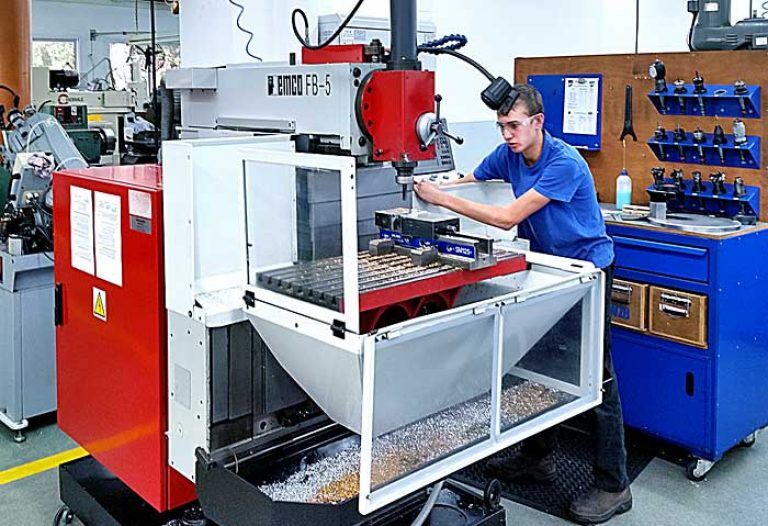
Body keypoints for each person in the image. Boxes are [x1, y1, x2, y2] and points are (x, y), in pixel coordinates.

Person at [413, 84, 632, 525]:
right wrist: (426, 188)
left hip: (588, 272)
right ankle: (539, 457)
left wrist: (440, 199)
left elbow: (507, 216)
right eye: (502, 127)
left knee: (596, 375)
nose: (508, 134)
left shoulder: (564, 163)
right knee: (540, 366)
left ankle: (614, 485)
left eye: (514, 126)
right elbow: (473, 178)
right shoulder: (508, 154)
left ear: (538, 122)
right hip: (547, 270)